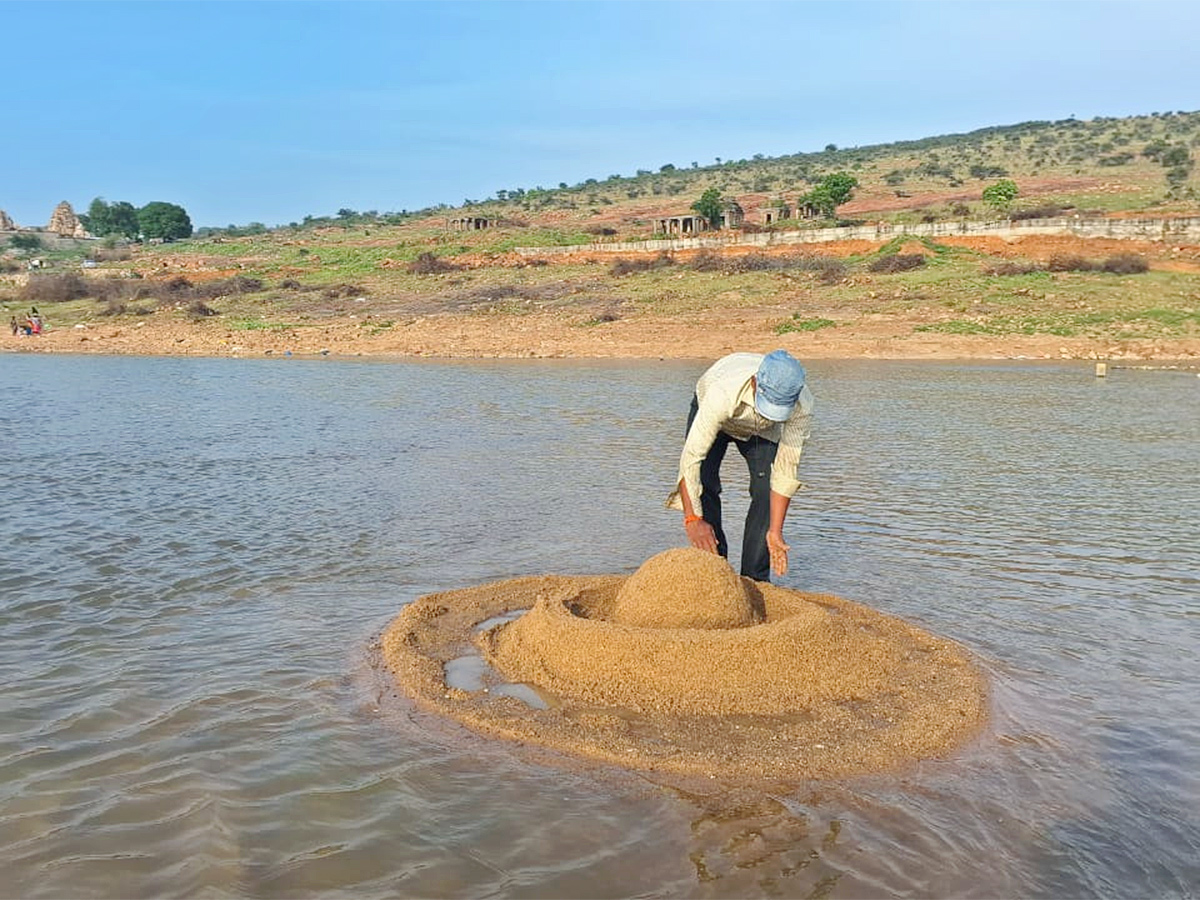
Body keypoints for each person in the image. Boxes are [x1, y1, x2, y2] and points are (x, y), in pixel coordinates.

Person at [666, 350, 813, 582]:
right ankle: (715, 570)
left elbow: (786, 472)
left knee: (766, 490)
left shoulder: (802, 404)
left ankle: (755, 579)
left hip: (762, 430)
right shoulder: (721, 393)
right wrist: (692, 519)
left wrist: (775, 531)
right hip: (720, 414)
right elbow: (691, 458)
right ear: (755, 384)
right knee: (704, 485)